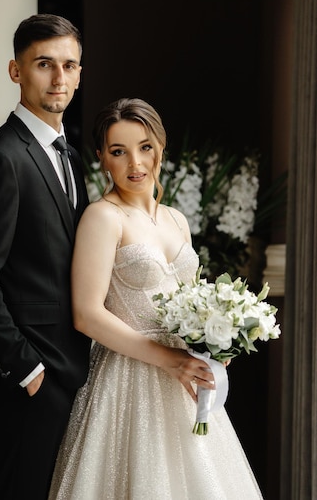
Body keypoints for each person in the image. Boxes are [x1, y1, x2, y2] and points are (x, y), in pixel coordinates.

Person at [48, 97, 264, 499]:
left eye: (145, 147)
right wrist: (172, 361)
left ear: (160, 148)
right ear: (102, 159)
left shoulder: (176, 219)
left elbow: (193, 303)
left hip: (186, 375)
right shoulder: (102, 217)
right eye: (119, 151)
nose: (135, 163)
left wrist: (213, 346)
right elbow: (87, 314)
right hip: (128, 379)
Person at [0, 13, 91, 500]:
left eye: (69, 65)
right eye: (44, 64)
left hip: (75, 364)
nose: (59, 78)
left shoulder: (68, 154)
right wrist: (28, 371)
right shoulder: (2, 157)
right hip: (33, 376)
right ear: (17, 71)